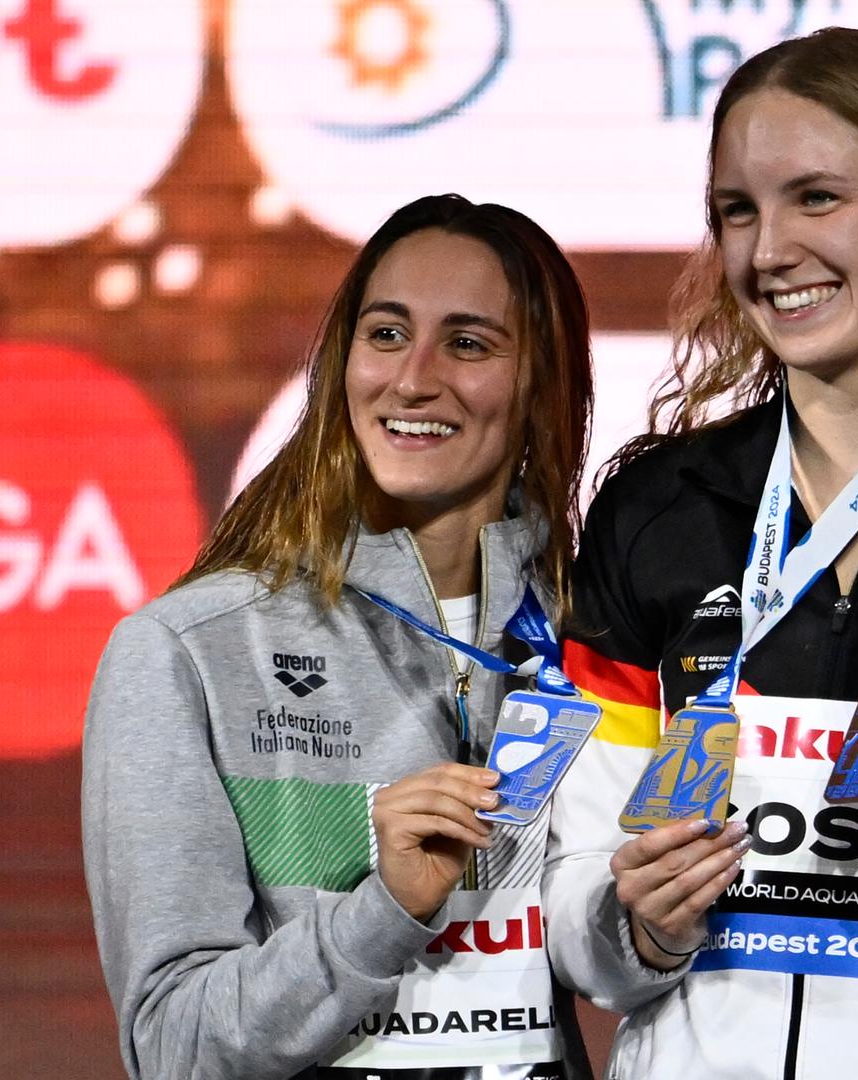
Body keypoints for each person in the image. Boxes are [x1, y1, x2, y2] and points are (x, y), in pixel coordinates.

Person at [541, 27, 858, 1080]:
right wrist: (638, 925)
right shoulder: (663, 508)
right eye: (737, 211)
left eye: (817, 198)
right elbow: (574, 897)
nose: (768, 252)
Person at [82, 194, 594, 1080]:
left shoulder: (590, 642)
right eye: (387, 334)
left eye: (468, 344)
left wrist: (651, 930)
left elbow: (605, 963)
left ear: (540, 387)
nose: (413, 379)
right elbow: (173, 1044)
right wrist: (382, 911)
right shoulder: (188, 652)